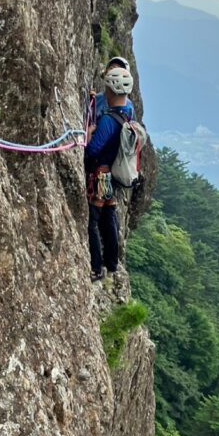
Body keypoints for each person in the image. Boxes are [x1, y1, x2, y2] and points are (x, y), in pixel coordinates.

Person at [85, 65, 134, 281]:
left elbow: (93, 150)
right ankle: (112, 262)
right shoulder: (128, 114)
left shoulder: (107, 120)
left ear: (111, 90)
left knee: (93, 220)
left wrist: (88, 135)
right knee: (109, 215)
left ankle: (97, 267)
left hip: (102, 174)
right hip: (114, 173)